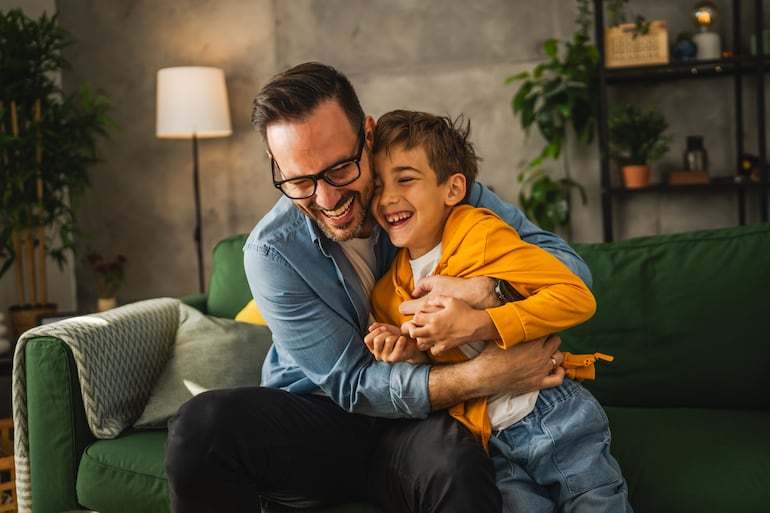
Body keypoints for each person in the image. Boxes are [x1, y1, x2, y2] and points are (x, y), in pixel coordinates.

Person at [165, 61, 593, 513]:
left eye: (340, 169)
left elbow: (569, 271)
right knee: (201, 426)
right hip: (322, 421)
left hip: (423, 423)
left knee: (457, 464)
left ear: (367, 135)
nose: (327, 200)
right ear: (276, 166)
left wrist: (488, 294)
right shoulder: (271, 253)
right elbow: (351, 384)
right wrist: (484, 376)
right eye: (300, 181)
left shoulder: (427, 186)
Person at [364, 109, 632, 512]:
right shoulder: (388, 292)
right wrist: (405, 351)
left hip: (549, 412)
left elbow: (575, 294)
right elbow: (438, 369)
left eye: (405, 179)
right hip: (488, 439)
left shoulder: (479, 233)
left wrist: (482, 322)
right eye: (378, 185)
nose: (387, 197)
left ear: (453, 188)